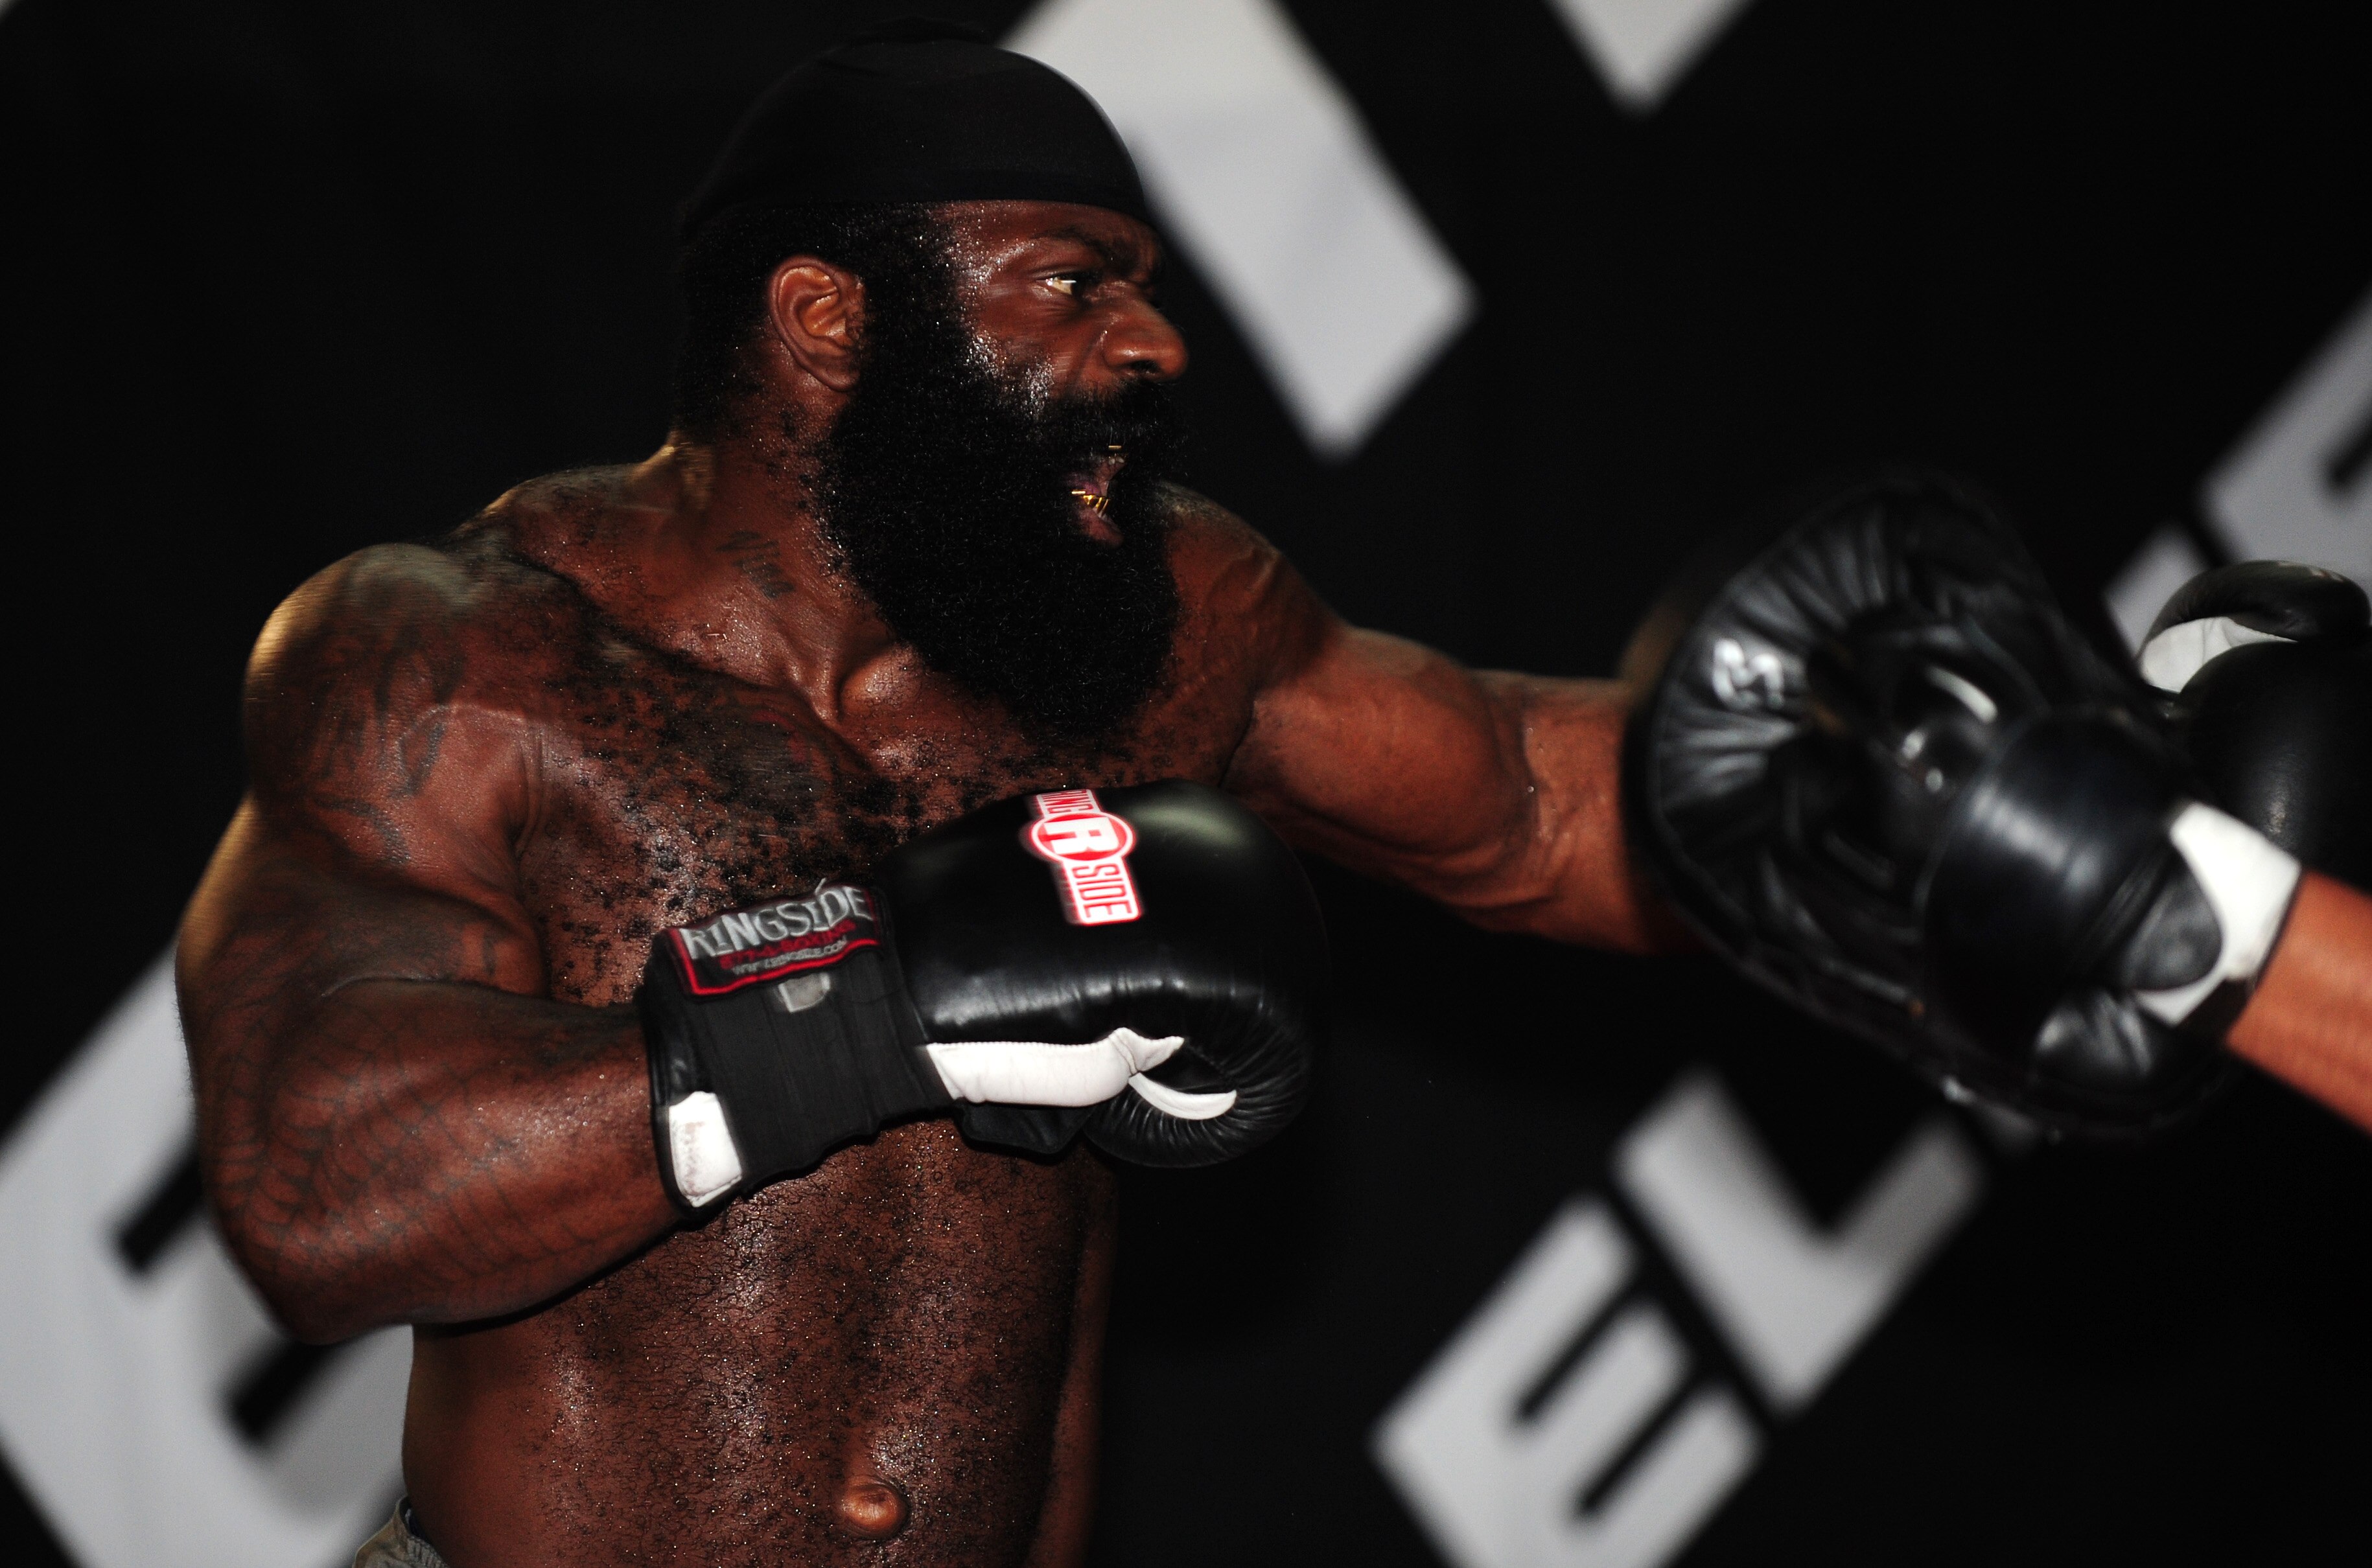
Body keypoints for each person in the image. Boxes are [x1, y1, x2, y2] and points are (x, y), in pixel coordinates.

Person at [173, 22, 2370, 1568]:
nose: (1153, 350)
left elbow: (1529, 799)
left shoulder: (1156, 628)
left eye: (1148, 288)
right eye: (1073, 284)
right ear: (826, 323)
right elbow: (314, 1185)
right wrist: (872, 1000)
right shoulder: (455, 653)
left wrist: (1990, 799)